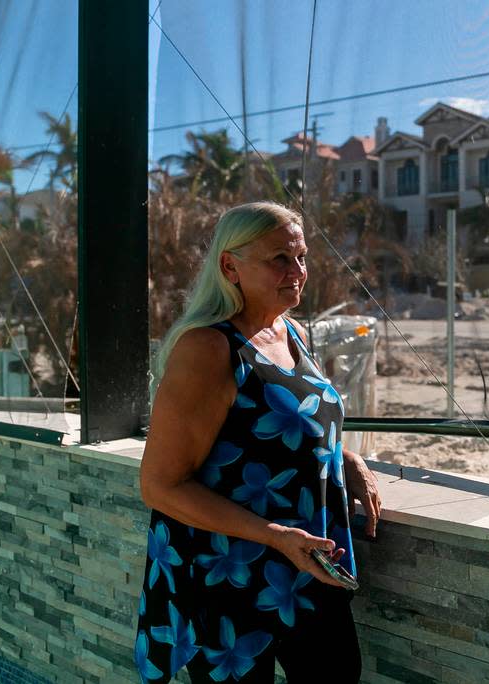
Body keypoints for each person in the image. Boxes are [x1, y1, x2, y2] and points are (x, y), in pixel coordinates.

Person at [135, 201, 381, 683]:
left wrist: (345, 458)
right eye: (279, 259)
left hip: (306, 570)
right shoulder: (208, 349)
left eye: (302, 257)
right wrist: (274, 536)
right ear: (230, 266)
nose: (298, 272)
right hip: (231, 581)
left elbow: (284, 427)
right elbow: (161, 486)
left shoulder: (287, 331)